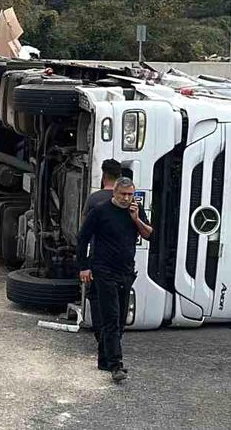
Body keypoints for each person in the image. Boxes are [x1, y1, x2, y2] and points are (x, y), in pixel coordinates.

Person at [77, 177, 152, 383]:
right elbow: (82, 238)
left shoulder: (135, 210)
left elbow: (149, 234)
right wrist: (84, 266)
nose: (127, 198)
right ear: (115, 193)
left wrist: (136, 219)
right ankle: (116, 365)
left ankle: (104, 359)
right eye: (123, 194)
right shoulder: (100, 211)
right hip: (103, 270)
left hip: (126, 271)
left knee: (120, 320)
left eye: (130, 195)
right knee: (111, 318)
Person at [81, 159, 123, 346]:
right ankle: (113, 338)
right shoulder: (128, 200)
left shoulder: (94, 200)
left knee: (96, 297)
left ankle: (102, 337)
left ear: (104, 175)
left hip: (97, 257)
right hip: (121, 260)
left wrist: (84, 265)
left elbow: (83, 232)